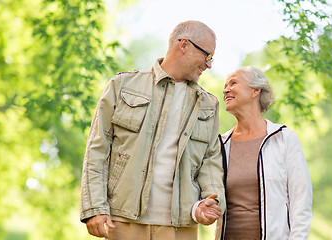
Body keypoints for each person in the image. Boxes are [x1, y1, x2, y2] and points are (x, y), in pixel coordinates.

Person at [80, 20, 226, 240]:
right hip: (123, 221)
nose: (209, 65)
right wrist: (94, 207)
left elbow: (211, 162)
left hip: (181, 226)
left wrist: (212, 201)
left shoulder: (209, 105)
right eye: (207, 56)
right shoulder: (122, 86)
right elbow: (97, 150)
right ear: (183, 44)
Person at [216, 66, 312, 240]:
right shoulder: (221, 144)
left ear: (255, 90)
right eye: (225, 85)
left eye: (233, 83)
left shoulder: (283, 138)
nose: (225, 90)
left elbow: (301, 201)